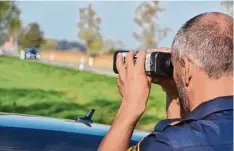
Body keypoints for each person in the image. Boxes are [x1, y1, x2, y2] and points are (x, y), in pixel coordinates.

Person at [98, 12, 233, 151]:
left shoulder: (169, 144)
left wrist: (130, 107)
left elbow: (181, 138)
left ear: (186, 68)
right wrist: (175, 96)